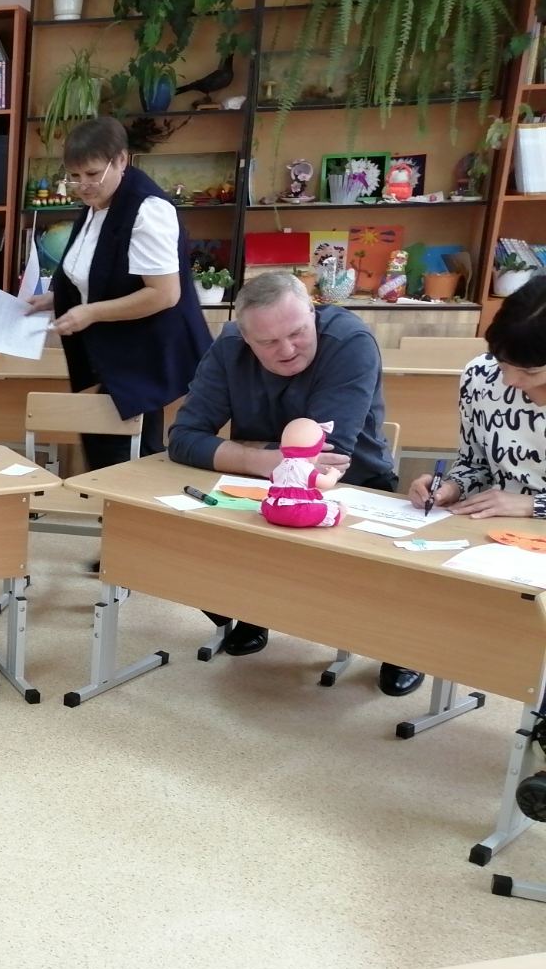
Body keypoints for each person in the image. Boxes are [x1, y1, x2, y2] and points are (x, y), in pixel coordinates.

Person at [167, 271, 424, 697]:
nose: (286, 350)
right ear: (245, 338)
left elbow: (324, 460)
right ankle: (252, 610)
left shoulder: (350, 342)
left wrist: (243, 451)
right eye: (268, 342)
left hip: (357, 485)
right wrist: (263, 460)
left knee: (375, 580)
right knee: (186, 539)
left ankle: (401, 647)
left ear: (313, 312)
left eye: (297, 333)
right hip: (260, 487)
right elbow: (182, 439)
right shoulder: (229, 345)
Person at [27, 117, 210, 469]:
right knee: (103, 445)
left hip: (145, 354)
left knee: (124, 457)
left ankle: (125, 501)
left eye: (93, 174)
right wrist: (56, 298)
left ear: (122, 160)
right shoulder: (99, 201)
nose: (83, 185)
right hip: (112, 352)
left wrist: (91, 312)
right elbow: (96, 270)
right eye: (74, 176)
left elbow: (163, 294)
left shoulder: (147, 210)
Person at [409, 276, 546, 519]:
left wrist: (534, 505)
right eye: (502, 365)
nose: (509, 381)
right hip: (492, 530)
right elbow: (475, 463)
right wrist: (452, 487)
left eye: (530, 372)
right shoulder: (481, 374)